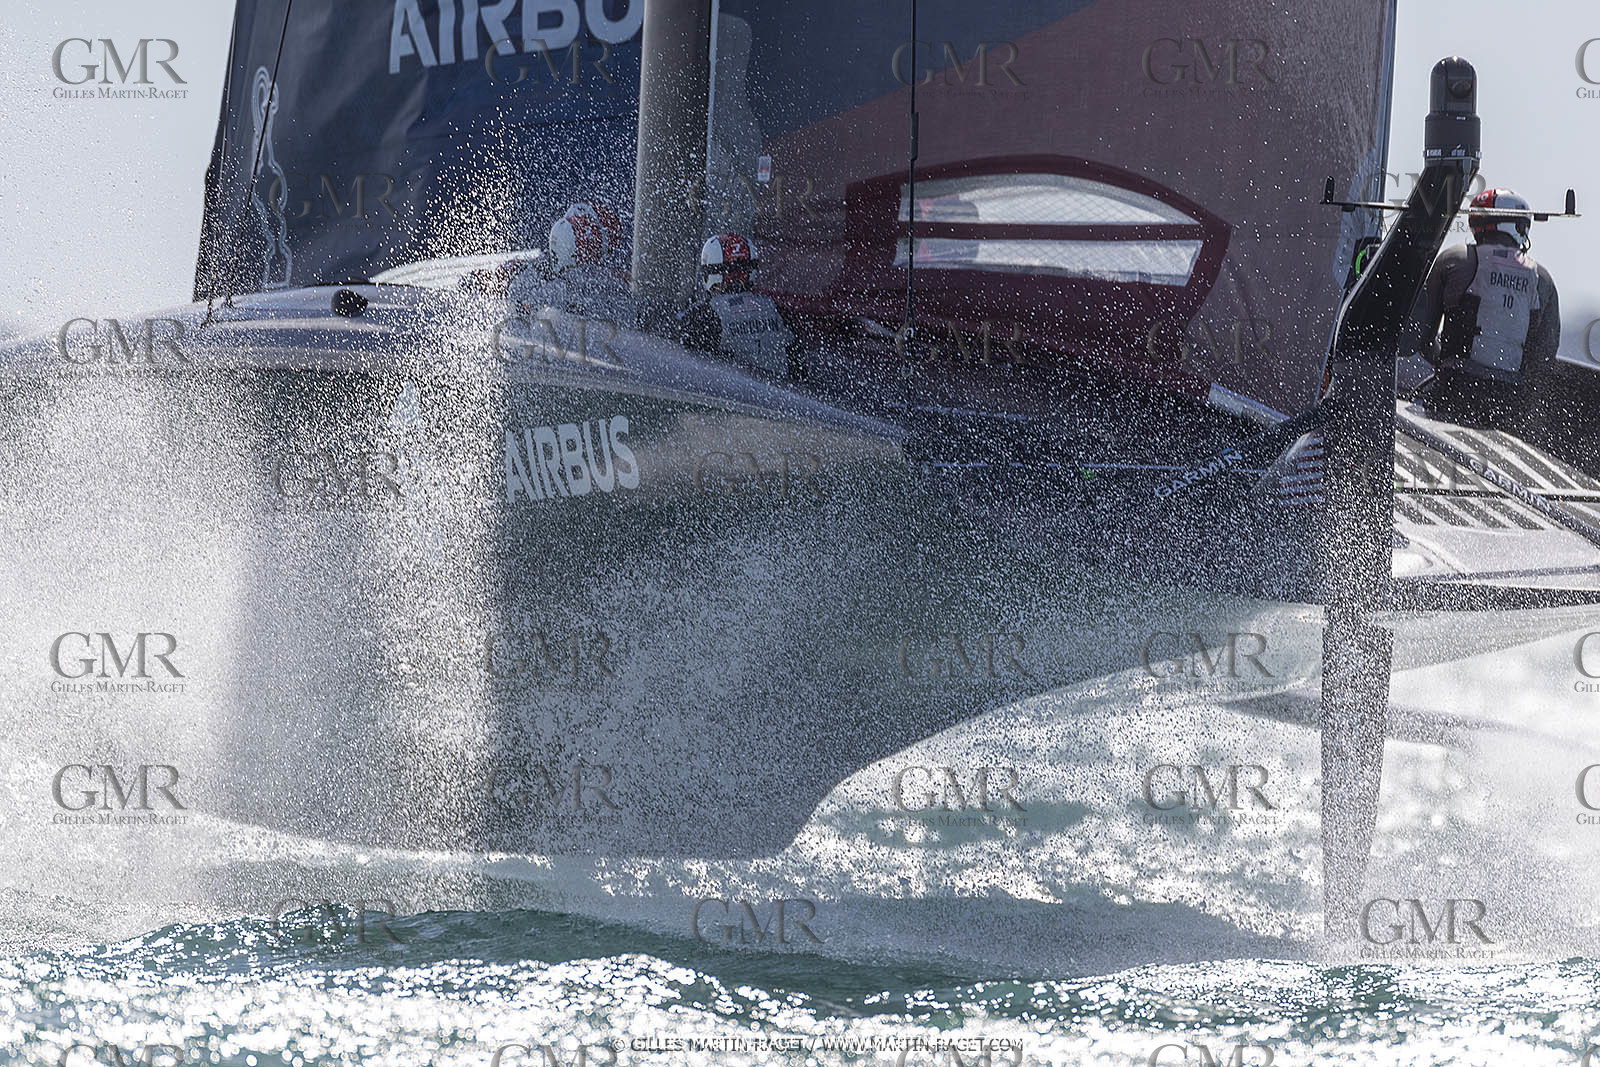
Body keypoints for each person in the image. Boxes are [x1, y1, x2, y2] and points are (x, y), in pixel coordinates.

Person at [1408, 187, 1561, 436]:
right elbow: (1542, 362)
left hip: (1454, 391)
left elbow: (1423, 340)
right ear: (1520, 228)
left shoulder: (1453, 259)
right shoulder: (1542, 280)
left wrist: (1446, 364)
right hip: (1508, 405)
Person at [678, 233, 797, 378]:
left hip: (728, 396)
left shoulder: (704, 316)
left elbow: (686, 366)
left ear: (710, 273)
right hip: (780, 395)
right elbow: (798, 367)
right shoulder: (777, 310)